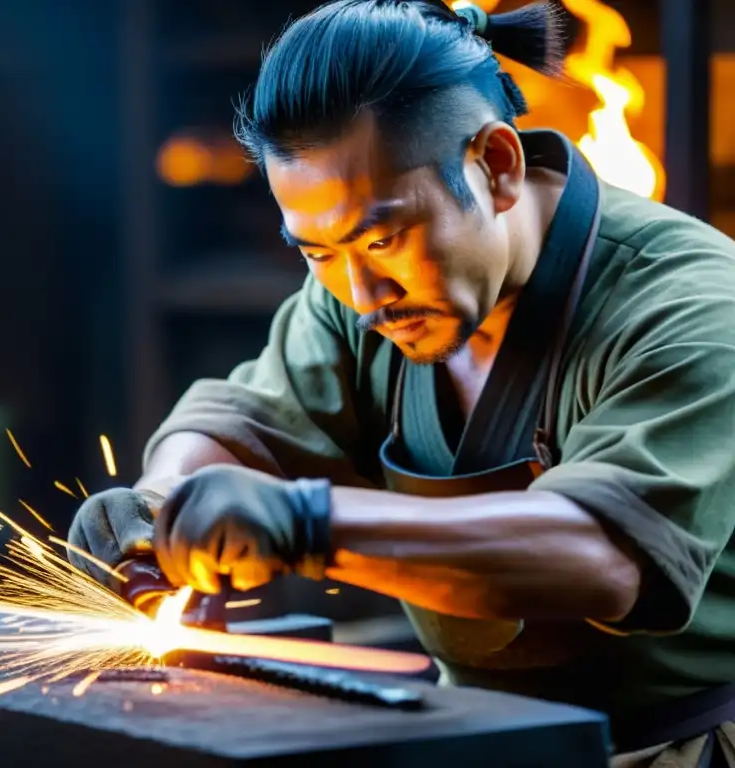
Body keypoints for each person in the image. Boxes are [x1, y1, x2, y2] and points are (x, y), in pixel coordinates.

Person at [68, 2, 735, 765]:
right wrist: (163, 503)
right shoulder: (358, 295)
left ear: (497, 166)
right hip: (474, 732)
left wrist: (308, 525)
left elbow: (604, 555)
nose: (362, 293)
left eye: (383, 237)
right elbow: (246, 424)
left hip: (679, 746)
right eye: (317, 251)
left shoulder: (691, 302)